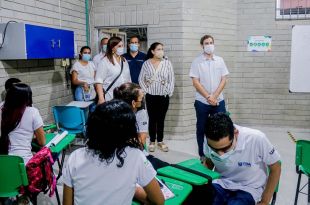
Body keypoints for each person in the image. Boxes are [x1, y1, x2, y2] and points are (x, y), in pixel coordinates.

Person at [62, 100, 164, 205]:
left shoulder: (75, 157)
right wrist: (134, 190)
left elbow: (67, 203)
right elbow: (159, 201)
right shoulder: (136, 156)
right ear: (128, 130)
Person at [203, 113, 281, 205]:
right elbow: (208, 162)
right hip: (221, 183)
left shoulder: (257, 138)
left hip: (249, 188)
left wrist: (265, 201)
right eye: (215, 149)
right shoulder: (209, 139)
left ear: (235, 133)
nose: (220, 154)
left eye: (225, 148)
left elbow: (276, 167)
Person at [189, 34, 229, 161]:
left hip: (218, 101)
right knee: (201, 127)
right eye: (206, 43)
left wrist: (215, 96)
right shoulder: (197, 61)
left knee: (221, 126)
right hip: (202, 101)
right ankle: (202, 154)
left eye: (211, 42)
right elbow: (195, 82)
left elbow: (224, 79)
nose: (209, 45)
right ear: (202, 46)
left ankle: (220, 151)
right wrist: (208, 97)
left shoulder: (220, 60)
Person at [113, 82, 169, 170]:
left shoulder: (141, 112)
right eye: (141, 98)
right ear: (133, 103)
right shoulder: (114, 113)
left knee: (168, 167)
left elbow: (141, 141)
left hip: (136, 154)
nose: (143, 101)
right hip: (124, 158)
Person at [138, 42, 174, 152]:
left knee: (161, 119)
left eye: (162, 49)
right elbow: (141, 79)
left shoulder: (167, 63)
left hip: (163, 95)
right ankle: (152, 141)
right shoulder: (146, 64)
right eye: (158, 49)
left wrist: (168, 91)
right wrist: (146, 91)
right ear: (153, 51)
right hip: (151, 96)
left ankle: (160, 141)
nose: (161, 51)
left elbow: (171, 79)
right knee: (152, 118)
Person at [0, 83, 45, 164]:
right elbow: (42, 142)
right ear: (27, 98)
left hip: (3, 163)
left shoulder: (2, 108)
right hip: (24, 163)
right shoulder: (33, 112)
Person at [95, 36, 131, 104]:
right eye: (119, 46)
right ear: (112, 47)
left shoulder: (124, 60)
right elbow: (98, 81)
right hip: (110, 97)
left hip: (124, 97)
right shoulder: (105, 61)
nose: (122, 48)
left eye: (122, 46)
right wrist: (101, 98)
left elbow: (128, 79)